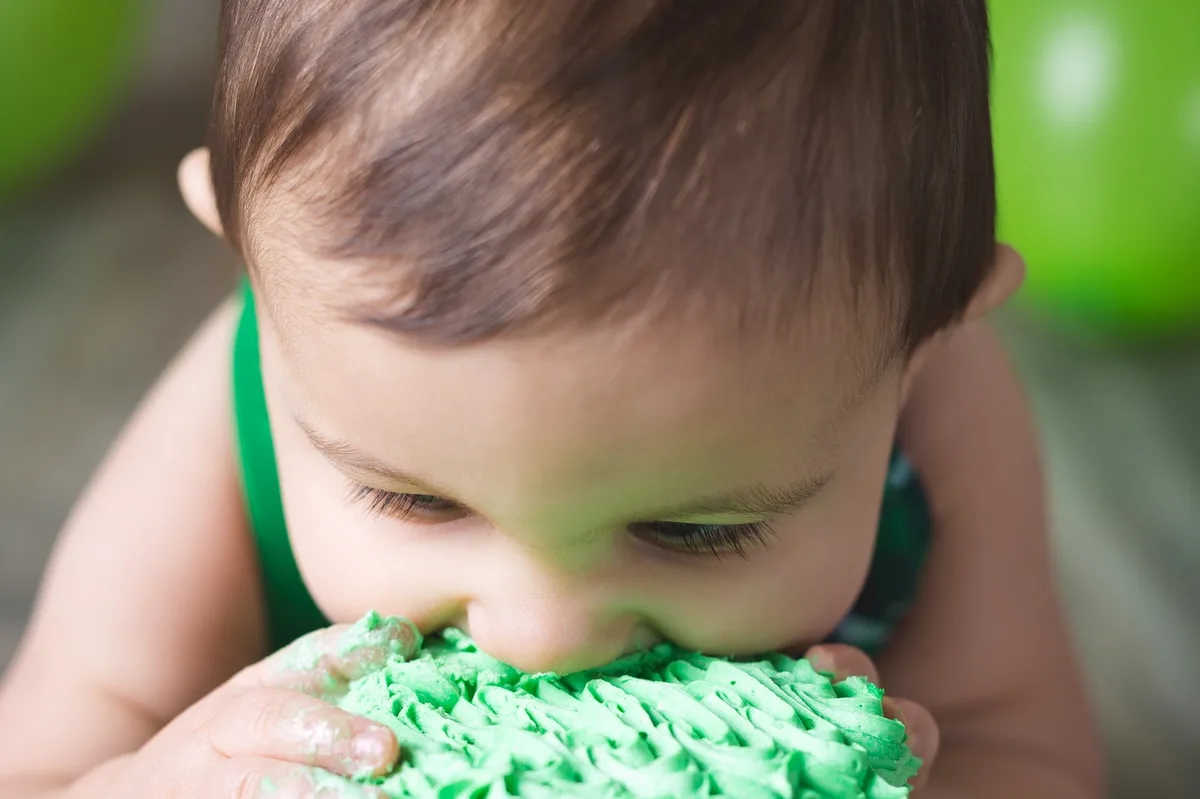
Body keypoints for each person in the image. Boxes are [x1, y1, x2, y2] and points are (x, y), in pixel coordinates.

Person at [0, 2, 1104, 797]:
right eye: (418, 501)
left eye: (693, 527)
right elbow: (39, 765)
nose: (544, 635)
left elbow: (1025, 743)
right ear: (260, 282)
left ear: (920, 345)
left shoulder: (948, 417)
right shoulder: (224, 422)